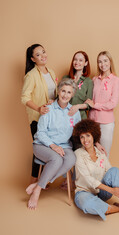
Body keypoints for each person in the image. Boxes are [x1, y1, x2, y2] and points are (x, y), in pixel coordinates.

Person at [73, 119, 119, 223]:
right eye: (82, 137)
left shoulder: (101, 153)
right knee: (88, 205)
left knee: (114, 170)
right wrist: (112, 191)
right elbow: (89, 180)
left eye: (87, 135)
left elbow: (111, 172)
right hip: (84, 193)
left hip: (101, 193)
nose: (85, 139)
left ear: (93, 136)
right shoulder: (78, 154)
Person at [26, 78, 81, 210]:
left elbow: (79, 131)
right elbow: (40, 133)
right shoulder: (48, 109)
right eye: (63, 91)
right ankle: (38, 190)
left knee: (72, 158)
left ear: (72, 94)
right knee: (56, 159)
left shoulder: (74, 112)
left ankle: (38, 184)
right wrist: (53, 146)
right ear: (58, 91)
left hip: (64, 145)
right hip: (42, 145)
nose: (65, 95)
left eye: (69, 92)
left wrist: (94, 142)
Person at [21, 44, 57, 184]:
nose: (43, 56)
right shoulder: (31, 75)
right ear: (33, 59)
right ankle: (33, 181)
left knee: (50, 148)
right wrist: (38, 109)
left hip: (51, 118)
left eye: (43, 52)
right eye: (38, 55)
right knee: (39, 149)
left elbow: (53, 94)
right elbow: (24, 97)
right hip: (37, 119)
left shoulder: (52, 72)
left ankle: (44, 180)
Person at [86, 51, 119, 158]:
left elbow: (113, 103)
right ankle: (93, 175)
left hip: (106, 122)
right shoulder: (94, 79)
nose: (103, 64)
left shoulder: (115, 80)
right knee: (90, 152)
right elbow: (89, 98)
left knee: (104, 154)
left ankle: (105, 175)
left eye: (105, 61)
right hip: (92, 121)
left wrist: (95, 105)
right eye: (100, 62)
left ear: (110, 62)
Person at [63, 50, 93, 120]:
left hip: (80, 117)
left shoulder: (88, 81)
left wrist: (77, 106)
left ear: (85, 63)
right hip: (64, 116)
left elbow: (89, 104)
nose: (77, 62)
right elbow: (58, 98)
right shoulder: (65, 78)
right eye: (75, 59)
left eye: (80, 60)